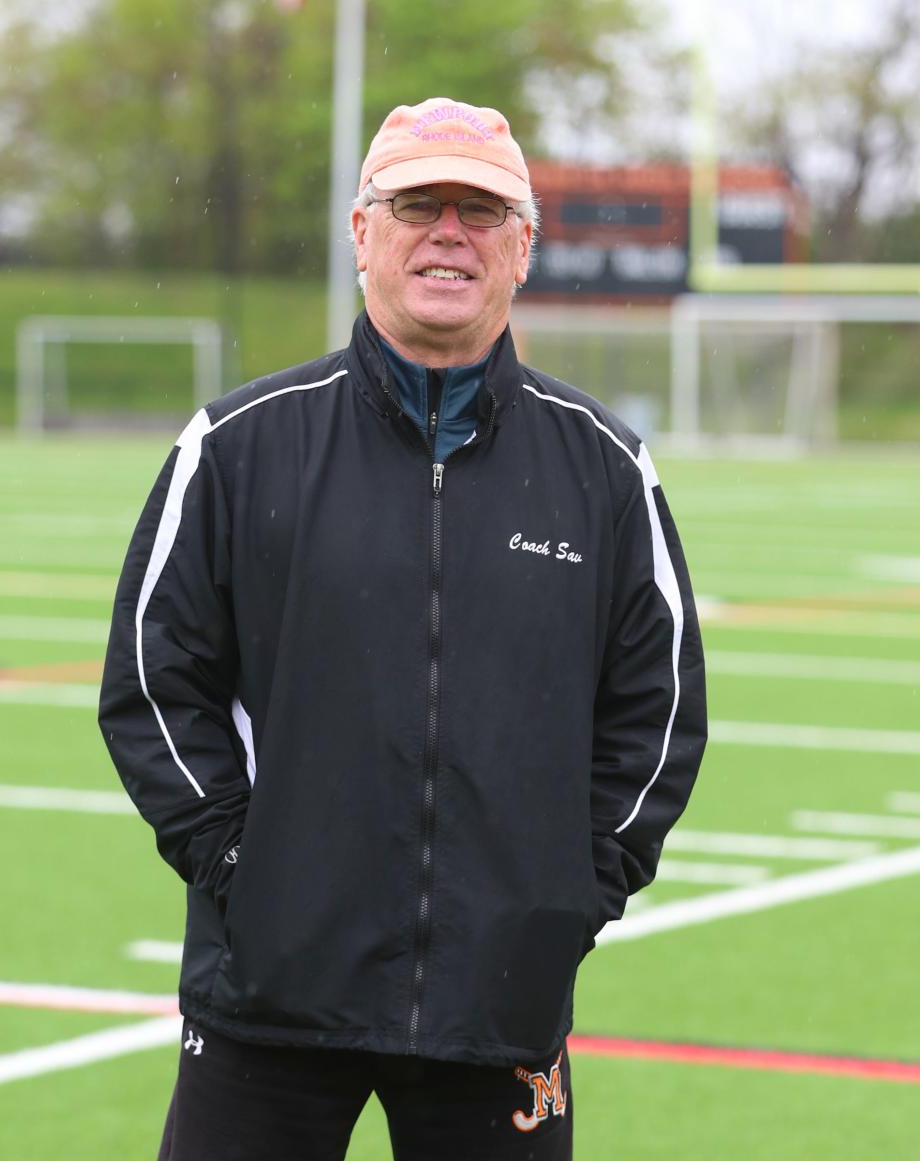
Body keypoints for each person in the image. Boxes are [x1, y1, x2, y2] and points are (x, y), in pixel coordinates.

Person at [99, 96, 707, 1161]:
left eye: (482, 212)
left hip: (500, 1009)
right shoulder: (240, 446)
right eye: (419, 203)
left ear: (524, 249)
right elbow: (154, 682)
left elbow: (656, 714)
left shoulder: (603, 468)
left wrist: (566, 897)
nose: (449, 233)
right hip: (268, 1000)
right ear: (361, 230)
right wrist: (252, 871)